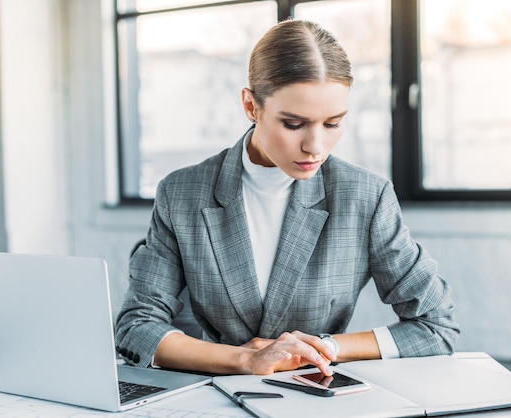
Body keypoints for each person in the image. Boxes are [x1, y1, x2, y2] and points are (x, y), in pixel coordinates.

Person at [115, 19, 459, 377]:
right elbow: (137, 327)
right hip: (214, 396)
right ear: (251, 106)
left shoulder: (365, 197)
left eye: (332, 123)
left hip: (318, 394)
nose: (316, 147)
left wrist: (324, 347)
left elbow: (436, 325)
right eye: (294, 124)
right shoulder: (182, 193)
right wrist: (243, 360)